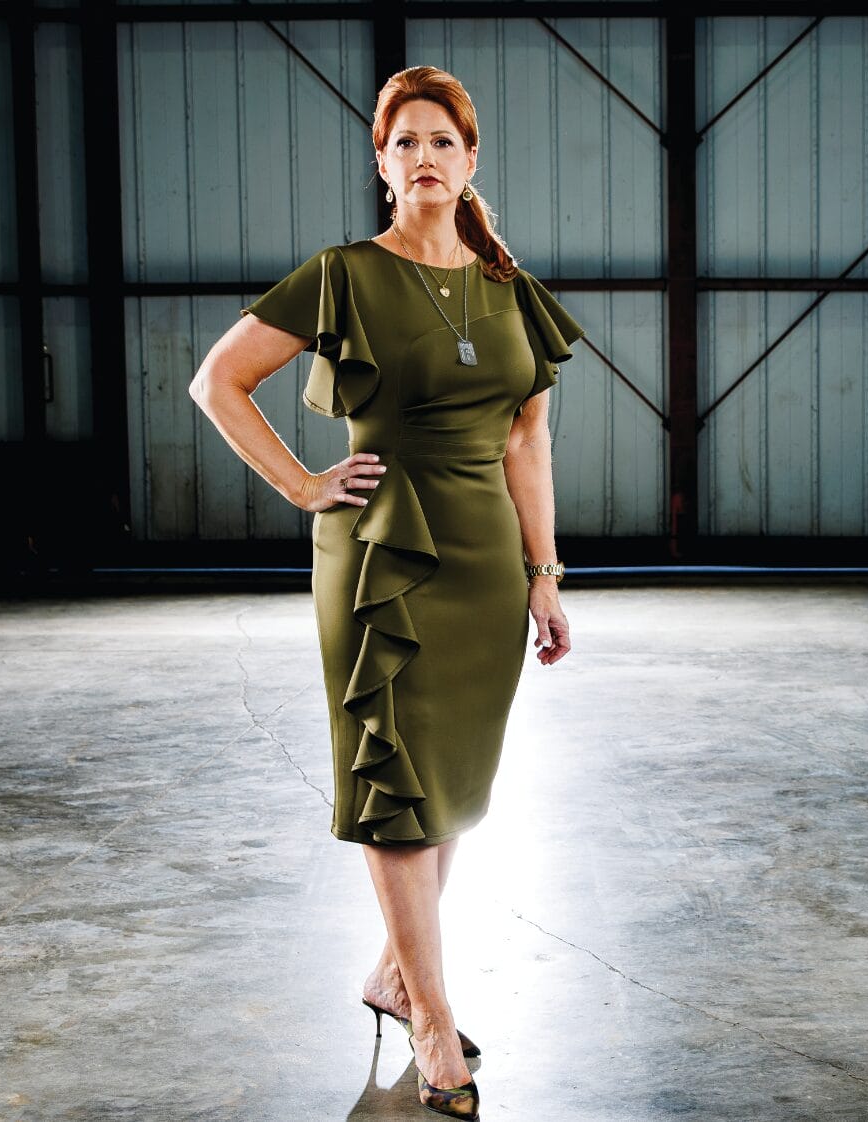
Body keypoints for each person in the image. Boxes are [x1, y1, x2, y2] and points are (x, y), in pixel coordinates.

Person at [190, 65, 583, 1120]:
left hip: (484, 568)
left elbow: (525, 440)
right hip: (380, 563)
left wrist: (544, 576)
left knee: (447, 783)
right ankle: (434, 1022)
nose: (423, 158)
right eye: (403, 142)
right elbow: (217, 379)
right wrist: (305, 485)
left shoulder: (511, 290)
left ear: (470, 160)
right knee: (396, 788)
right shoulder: (342, 275)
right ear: (381, 164)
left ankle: (388, 974)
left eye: (440, 142)